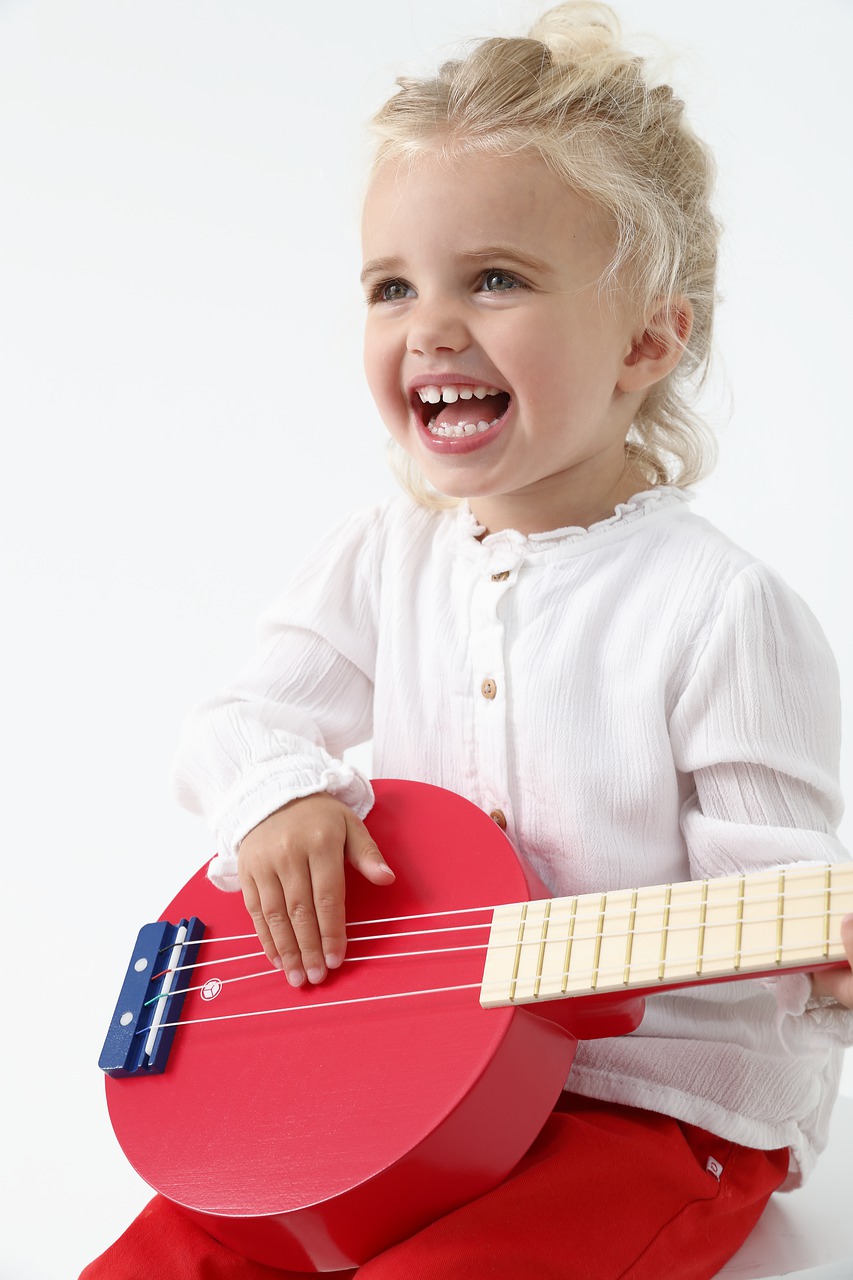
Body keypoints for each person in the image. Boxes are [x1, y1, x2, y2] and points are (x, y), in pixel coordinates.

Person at [82, 3, 853, 1277]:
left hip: (651, 1112)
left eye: (494, 278)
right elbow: (231, 725)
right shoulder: (385, 551)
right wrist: (280, 799)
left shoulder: (716, 605)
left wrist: (824, 966)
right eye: (393, 285)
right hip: (393, 1084)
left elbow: (776, 905)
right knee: (167, 1249)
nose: (430, 324)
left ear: (650, 337)